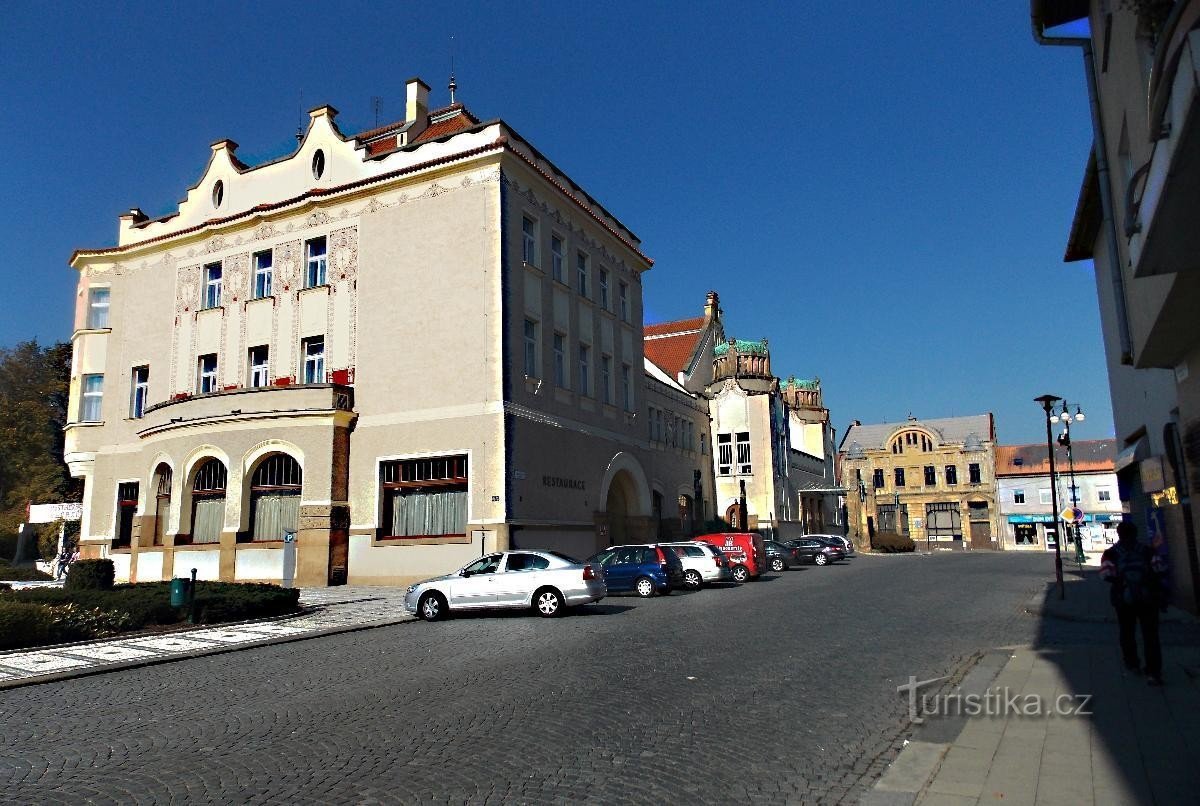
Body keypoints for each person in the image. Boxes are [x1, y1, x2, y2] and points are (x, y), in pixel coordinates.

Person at [1100, 521, 1168, 685]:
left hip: (1123, 599)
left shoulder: (1111, 553)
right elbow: (1160, 570)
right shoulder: (1147, 551)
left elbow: (1105, 575)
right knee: (1151, 635)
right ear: (1136, 533)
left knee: (1127, 632)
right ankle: (1153, 672)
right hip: (1148, 598)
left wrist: (1121, 583)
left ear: (1119, 534)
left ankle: (1132, 664)